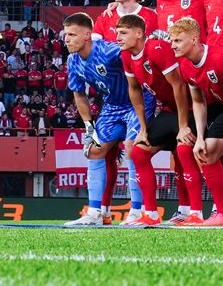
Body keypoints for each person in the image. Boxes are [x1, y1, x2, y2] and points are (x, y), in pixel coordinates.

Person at [62, 12, 154, 227]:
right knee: (94, 150)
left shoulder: (109, 51)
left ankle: (137, 211)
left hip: (136, 103)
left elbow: (137, 54)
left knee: (133, 149)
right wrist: (88, 127)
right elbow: (79, 94)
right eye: (65, 35)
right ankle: (94, 213)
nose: (67, 39)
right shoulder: (72, 60)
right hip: (112, 107)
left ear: (87, 35)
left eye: (72, 34)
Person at [115, 13, 198, 226]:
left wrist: (183, 127)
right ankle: (150, 214)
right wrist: (143, 128)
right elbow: (135, 92)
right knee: (139, 152)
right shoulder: (126, 56)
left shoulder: (156, 49)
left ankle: (194, 212)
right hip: (170, 111)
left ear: (139, 33)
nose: (118, 37)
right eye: (117, 33)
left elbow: (179, 85)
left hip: (193, 109)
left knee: (183, 150)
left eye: (123, 33)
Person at [168, 17, 223, 227]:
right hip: (222, 109)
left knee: (210, 153)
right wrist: (200, 136)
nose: (172, 45)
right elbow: (198, 101)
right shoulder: (185, 66)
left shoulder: (220, 58)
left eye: (178, 41)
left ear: (194, 39)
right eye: (171, 41)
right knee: (201, 149)